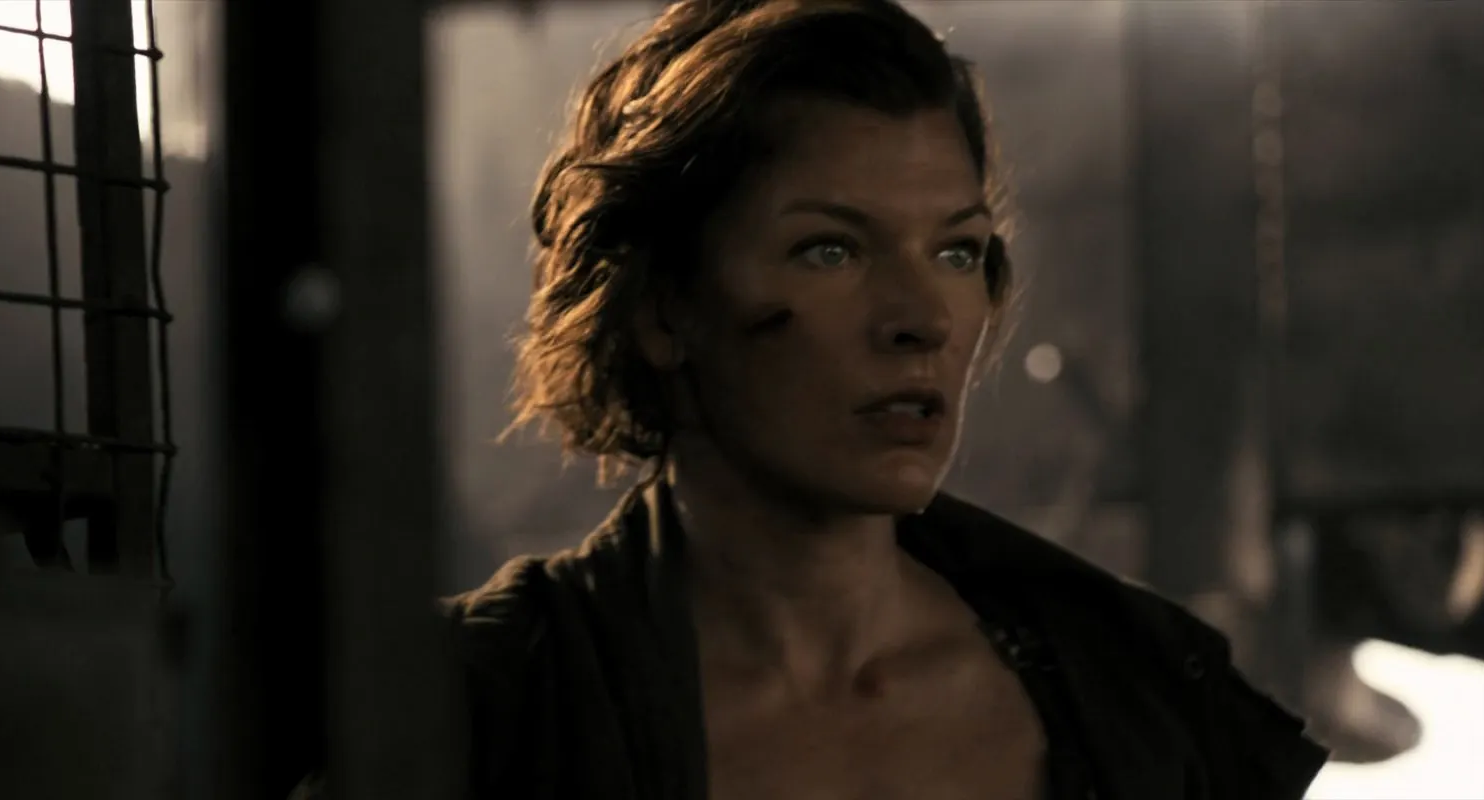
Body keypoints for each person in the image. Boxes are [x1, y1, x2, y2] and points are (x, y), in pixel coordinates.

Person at [301, 1, 1329, 798]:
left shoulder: (1137, 693)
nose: (921, 319)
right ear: (664, 305)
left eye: (955, 252)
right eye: (830, 249)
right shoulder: (480, 712)